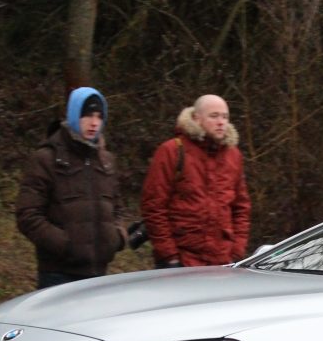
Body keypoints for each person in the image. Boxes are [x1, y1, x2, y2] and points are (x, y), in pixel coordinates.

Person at [16, 87, 127, 289]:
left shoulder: (106, 161)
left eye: (99, 116)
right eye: (87, 115)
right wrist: (65, 245)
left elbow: (117, 207)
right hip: (58, 274)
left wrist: (116, 237)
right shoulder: (46, 159)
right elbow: (28, 215)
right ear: (74, 115)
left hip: (98, 273)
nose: (94, 123)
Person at [141, 94, 251, 267]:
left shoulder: (233, 156)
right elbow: (154, 206)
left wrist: (236, 251)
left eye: (225, 117)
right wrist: (169, 255)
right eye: (214, 116)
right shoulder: (172, 151)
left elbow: (241, 208)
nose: (221, 122)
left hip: (222, 262)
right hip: (182, 260)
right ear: (196, 118)